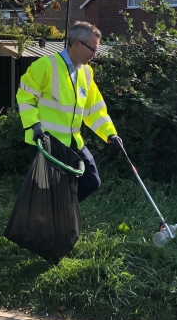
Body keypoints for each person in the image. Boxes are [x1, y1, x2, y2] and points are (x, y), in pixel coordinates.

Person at [16, 21, 122, 202]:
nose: (95, 54)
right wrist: (34, 126)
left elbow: (94, 109)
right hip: (46, 142)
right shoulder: (45, 66)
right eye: (92, 49)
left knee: (91, 181)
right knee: (47, 191)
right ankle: (49, 223)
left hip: (74, 143)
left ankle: (60, 214)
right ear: (78, 44)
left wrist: (110, 134)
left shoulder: (86, 72)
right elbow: (25, 98)